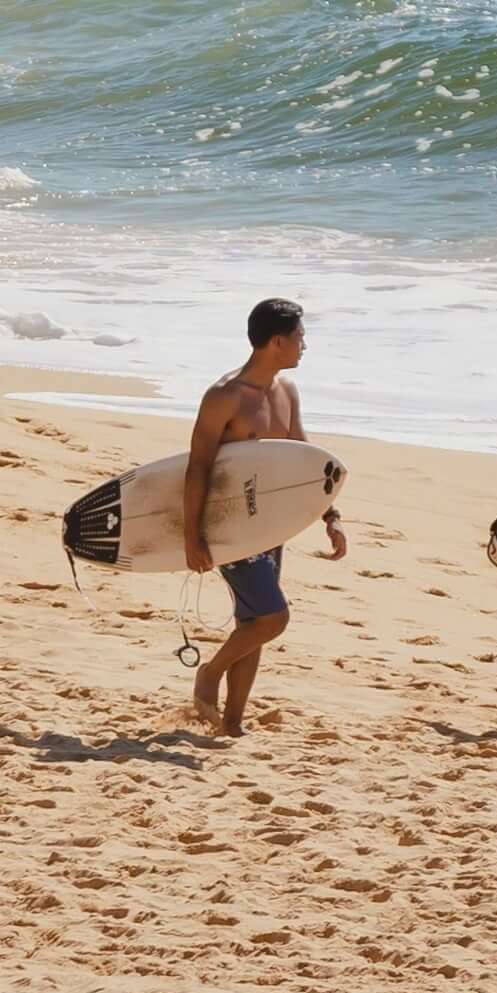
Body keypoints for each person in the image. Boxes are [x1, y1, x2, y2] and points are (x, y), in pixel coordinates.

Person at [183, 291, 340, 739]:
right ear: (276, 342)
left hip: (270, 524)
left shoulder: (286, 391)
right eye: (299, 337)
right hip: (230, 527)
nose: (304, 345)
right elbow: (197, 466)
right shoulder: (225, 396)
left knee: (252, 624)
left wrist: (332, 516)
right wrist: (193, 536)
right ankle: (209, 674)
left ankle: (231, 723)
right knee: (273, 618)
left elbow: (306, 460)